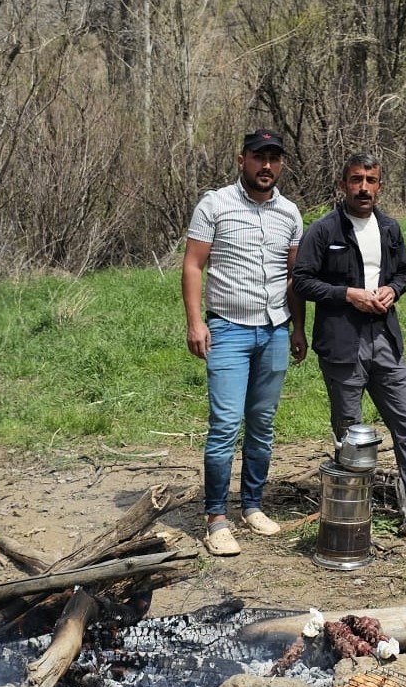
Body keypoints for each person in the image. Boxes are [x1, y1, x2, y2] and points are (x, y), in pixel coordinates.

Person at [292, 153, 406, 542]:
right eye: (356, 180)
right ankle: (352, 515)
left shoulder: (388, 228)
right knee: (348, 432)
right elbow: (301, 280)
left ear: (380, 186)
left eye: (371, 180)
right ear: (343, 185)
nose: (363, 188)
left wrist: (392, 289)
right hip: (341, 342)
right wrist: (348, 294)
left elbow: (403, 272)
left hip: (385, 339)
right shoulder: (323, 230)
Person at [182, 129, 306, 557]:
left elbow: (294, 277)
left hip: (274, 329)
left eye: (274, 158)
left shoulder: (289, 213)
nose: (266, 166)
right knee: (225, 425)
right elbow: (193, 265)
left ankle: (252, 505)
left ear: (281, 164)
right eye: (258, 157)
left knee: (262, 424)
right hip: (228, 329)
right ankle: (216, 517)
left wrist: (298, 327)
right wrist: (196, 323)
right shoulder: (215, 205)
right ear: (242, 160)